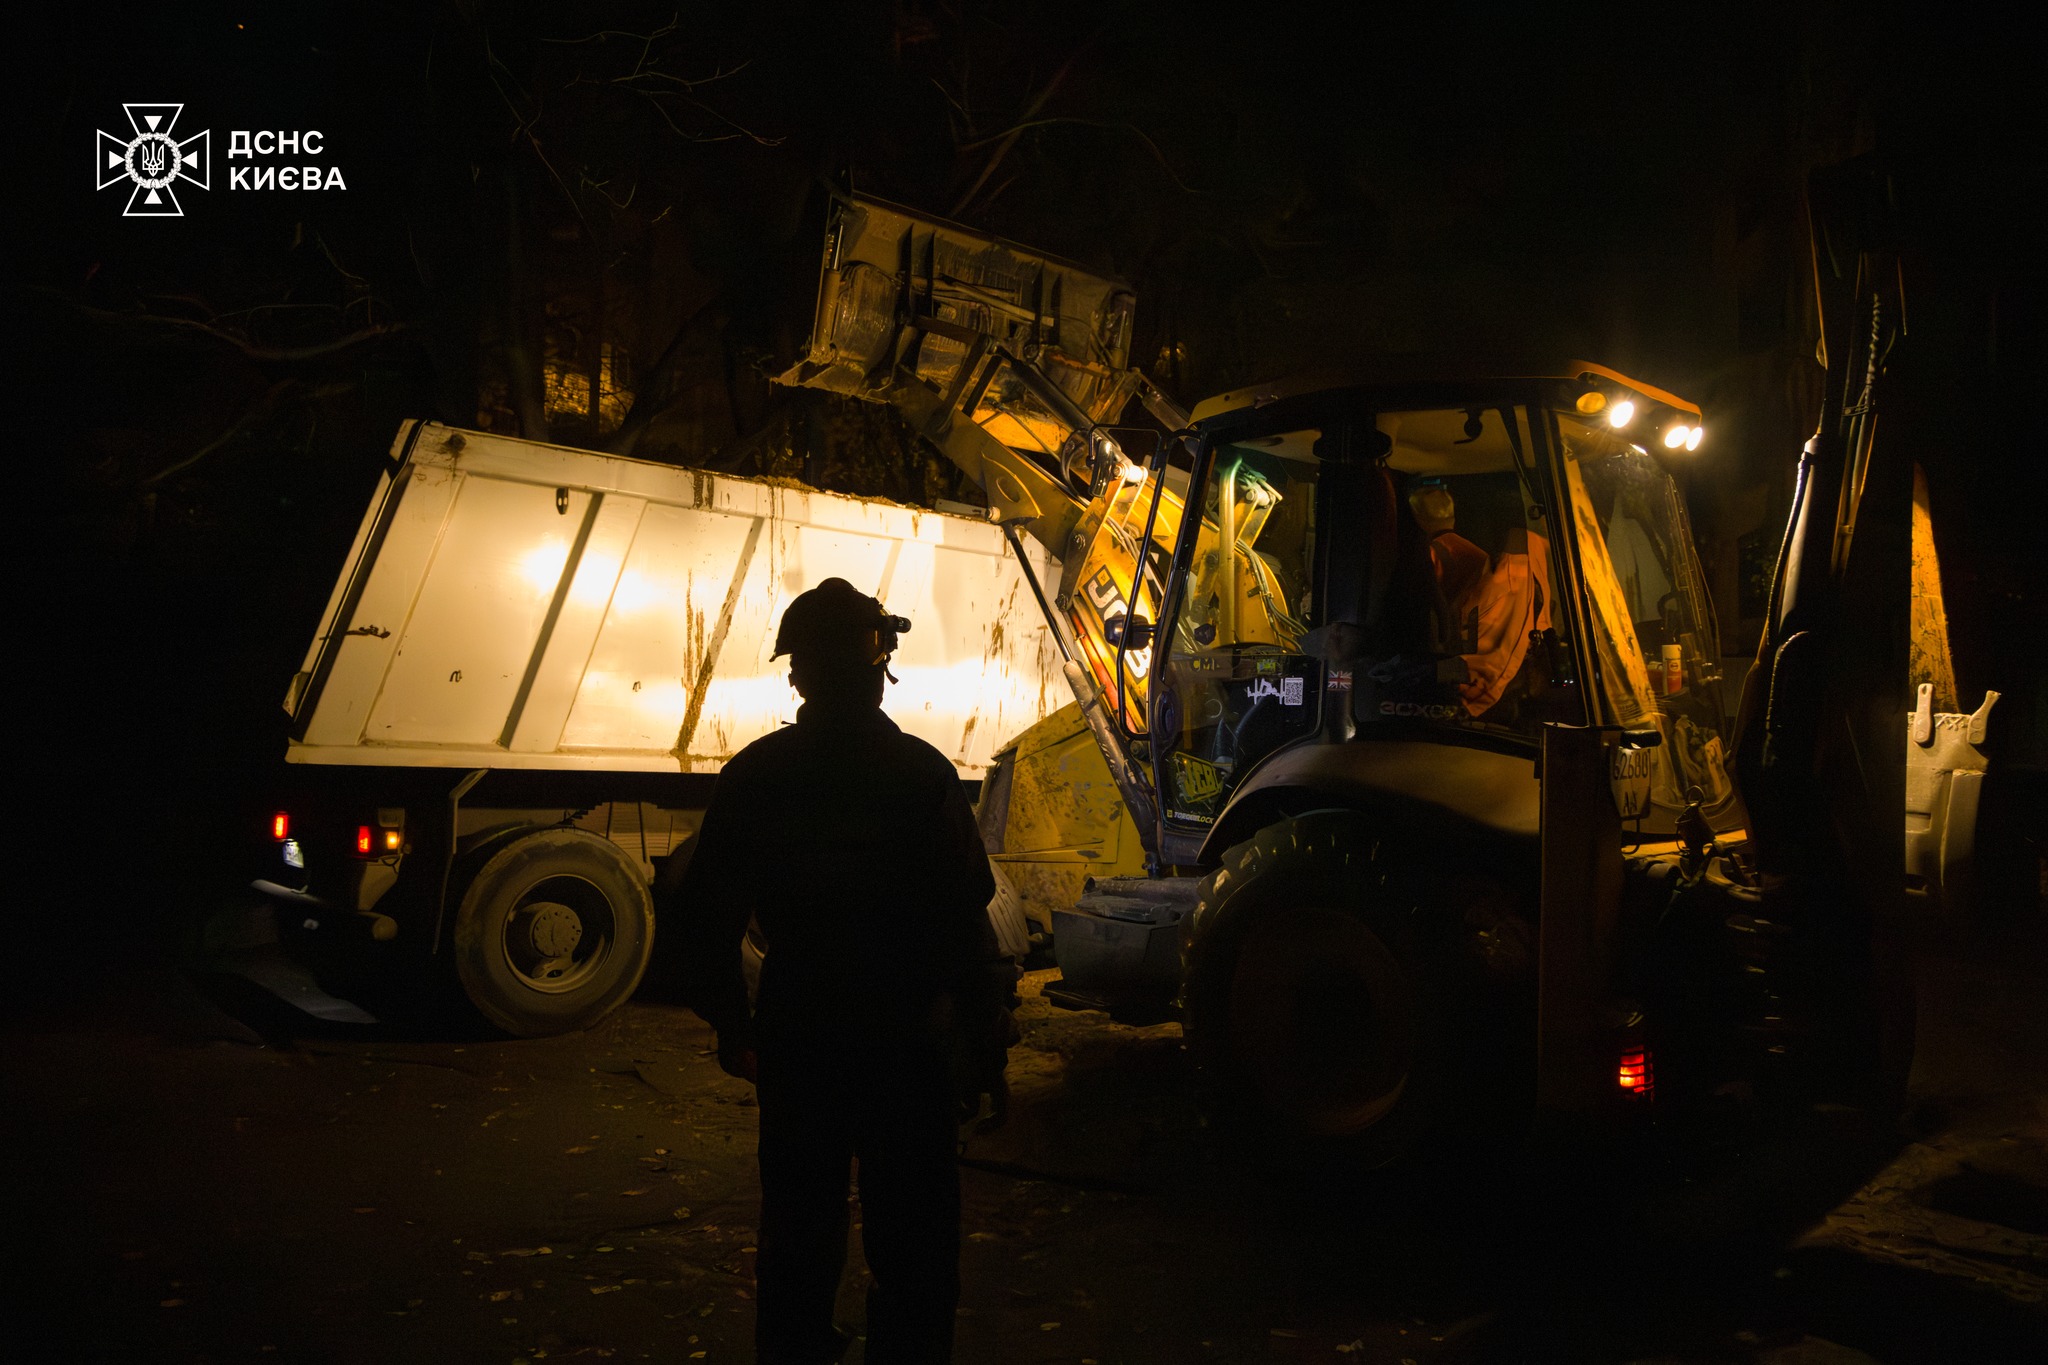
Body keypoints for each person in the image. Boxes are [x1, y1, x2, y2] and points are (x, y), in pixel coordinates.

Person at [668, 577, 1012, 1365]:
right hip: (907, 1041)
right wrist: (984, 1045)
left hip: (802, 1036)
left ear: (797, 675)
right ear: (880, 664)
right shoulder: (923, 776)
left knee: (797, 1230)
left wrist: (734, 1023)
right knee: (916, 1240)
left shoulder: (757, 776)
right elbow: (968, 926)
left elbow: (706, 921)